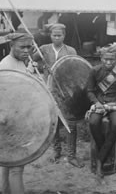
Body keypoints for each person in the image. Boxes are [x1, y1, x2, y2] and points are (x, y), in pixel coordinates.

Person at [32, 23, 84, 168]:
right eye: (54, 35)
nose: (56, 38)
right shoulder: (43, 49)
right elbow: (30, 59)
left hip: (67, 91)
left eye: (59, 35)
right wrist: (35, 65)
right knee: (54, 123)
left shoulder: (71, 50)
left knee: (70, 124)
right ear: (50, 36)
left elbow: (77, 68)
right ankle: (56, 152)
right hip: (50, 90)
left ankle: (71, 155)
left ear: (64, 35)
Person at [87, 42, 116, 181]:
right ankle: (104, 152)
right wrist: (97, 103)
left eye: (111, 59)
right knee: (93, 123)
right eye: (105, 59)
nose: (108, 62)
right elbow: (89, 91)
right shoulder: (94, 71)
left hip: (115, 105)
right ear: (101, 58)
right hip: (99, 104)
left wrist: (115, 103)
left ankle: (100, 160)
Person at [0, 32, 35, 194]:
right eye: (22, 47)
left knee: (8, 165)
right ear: (11, 46)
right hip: (10, 121)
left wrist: (30, 72)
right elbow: (1, 97)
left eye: (29, 47)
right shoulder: (6, 65)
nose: (26, 51)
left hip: (17, 119)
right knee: (16, 168)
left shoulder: (19, 62)